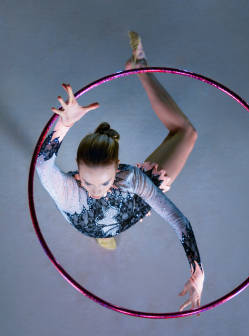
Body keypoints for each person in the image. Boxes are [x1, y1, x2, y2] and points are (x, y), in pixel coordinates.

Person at [35, 31, 204, 313]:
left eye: (105, 181)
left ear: (118, 170)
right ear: (77, 172)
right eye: (87, 181)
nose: (97, 190)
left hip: (128, 208)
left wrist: (197, 268)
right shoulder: (67, 190)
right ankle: (140, 67)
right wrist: (62, 126)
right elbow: (42, 164)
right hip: (92, 222)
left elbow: (178, 219)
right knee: (185, 132)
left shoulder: (130, 179)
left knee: (186, 134)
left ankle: (140, 68)